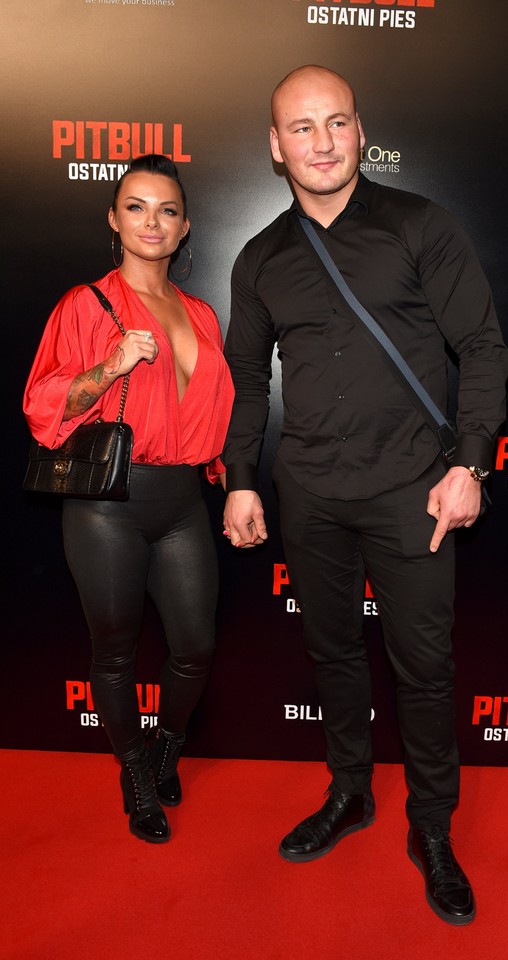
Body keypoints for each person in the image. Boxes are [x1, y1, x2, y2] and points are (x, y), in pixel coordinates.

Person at [222, 66, 508, 924]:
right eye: (301, 128)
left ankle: (432, 827)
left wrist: (471, 465)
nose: (322, 142)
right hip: (310, 492)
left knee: (424, 667)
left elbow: (482, 346)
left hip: (412, 491)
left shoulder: (421, 225)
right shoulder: (260, 257)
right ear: (276, 147)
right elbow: (246, 381)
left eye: (336, 122)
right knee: (334, 654)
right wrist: (241, 480)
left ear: (360, 130)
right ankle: (350, 792)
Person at [24, 154, 234, 844]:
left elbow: (216, 415)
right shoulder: (84, 305)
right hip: (107, 505)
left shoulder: (201, 314)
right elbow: (44, 406)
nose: (152, 222)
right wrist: (110, 364)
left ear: (184, 227)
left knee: (195, 647)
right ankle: (136, 773)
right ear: (113, 219)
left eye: (167, 210)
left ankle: (166, 750)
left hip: (181, 502)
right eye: (136, 207)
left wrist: (234, 484)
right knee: (114, 653)